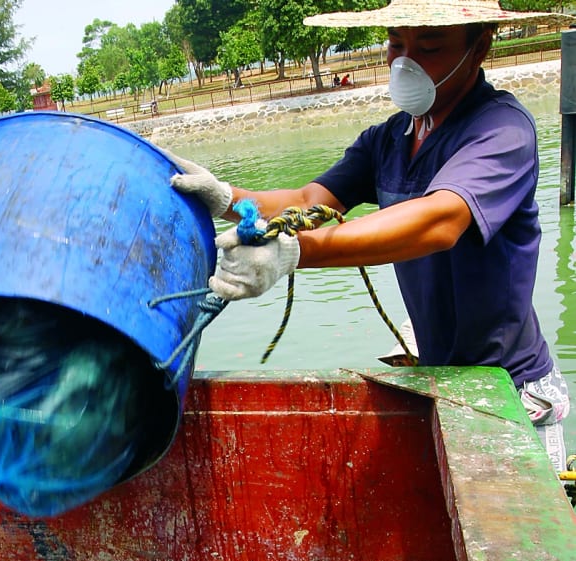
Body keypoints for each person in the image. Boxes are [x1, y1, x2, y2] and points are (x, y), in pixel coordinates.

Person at [169, 0, 573, 473]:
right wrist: (225, 197)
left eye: (430, 45)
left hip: (510, 387)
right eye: (396, 44)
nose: (406, 61)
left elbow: (439, 220)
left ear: (480, 45)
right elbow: (309, 198)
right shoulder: (391, 138)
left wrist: (294, 252)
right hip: (443, 380)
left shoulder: (501, 129)